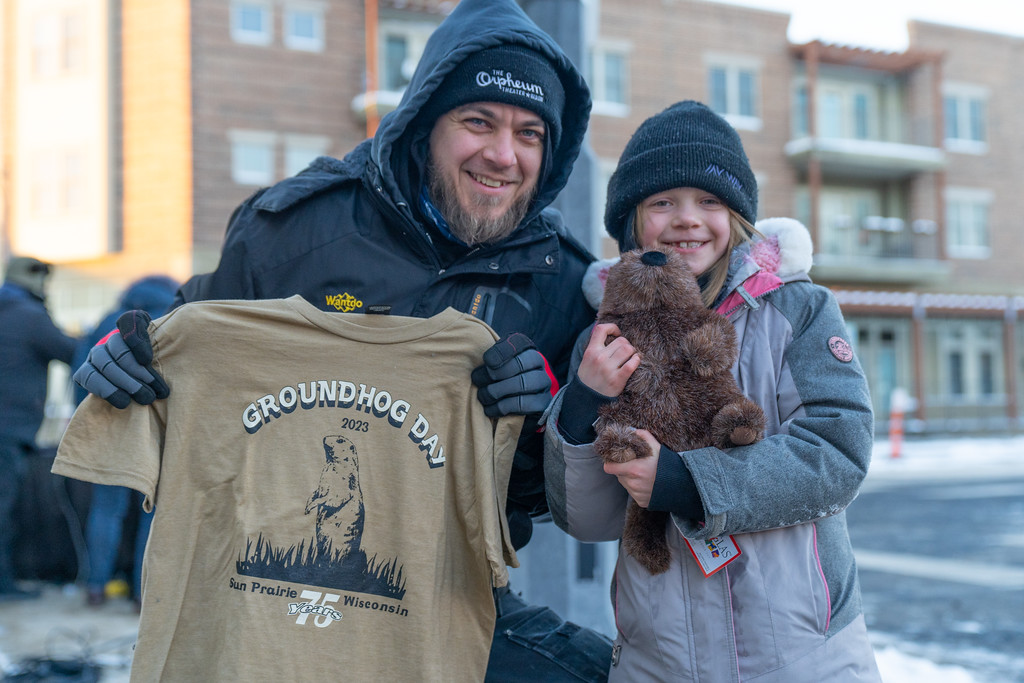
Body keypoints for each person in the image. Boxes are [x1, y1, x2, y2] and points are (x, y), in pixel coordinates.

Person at [71, 0, 611, 679]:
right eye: (479, 121)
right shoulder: (294, 230)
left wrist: (546, 419)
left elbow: (558, 502)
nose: (502, 154)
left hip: (448, 601)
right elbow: (175, 367)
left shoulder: (560, 280)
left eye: (530, 133)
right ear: (424, 123)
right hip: (264, 592)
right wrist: (115, 368)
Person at [543, 101, 882, 681]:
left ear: (738, 216)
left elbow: (838, 450)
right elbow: (589, 519)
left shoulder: (797, 310)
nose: (687, 219)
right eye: (662, 202)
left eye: (709, 201)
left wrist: (687, 480)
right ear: (632, 222)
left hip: (802, 656)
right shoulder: (603, 336)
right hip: (660, 661)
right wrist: (582, 404)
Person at [73, 275, 179, 607]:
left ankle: (95, 588)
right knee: (154, 512)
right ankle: (142, 592)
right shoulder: (177, 321)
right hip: (161, 427)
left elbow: (82, 373)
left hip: (112, 422)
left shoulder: (109, 322)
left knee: (106, 510)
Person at [0, 256, 78, 600]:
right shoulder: (29, 316)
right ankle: (4, 585)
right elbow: (72, 351)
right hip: (9, 429)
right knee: (4, 509)